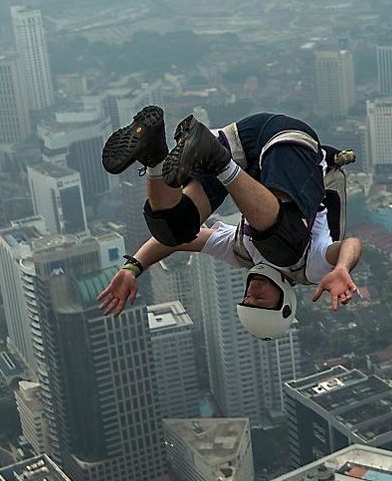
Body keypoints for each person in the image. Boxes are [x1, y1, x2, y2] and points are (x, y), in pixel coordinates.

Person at [96, 105, 362, 340]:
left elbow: (176, 244)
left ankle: (154, 153)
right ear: (284, 302)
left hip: (238, 143)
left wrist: (133, 267)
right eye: (260, 301)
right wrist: (341, 267)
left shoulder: (241, 252)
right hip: (290, 143)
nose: (252, 293)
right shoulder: (310, 269)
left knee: (176, 228)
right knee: (286, 246)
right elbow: (351, 244)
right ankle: (218, 161)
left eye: (247, 300)